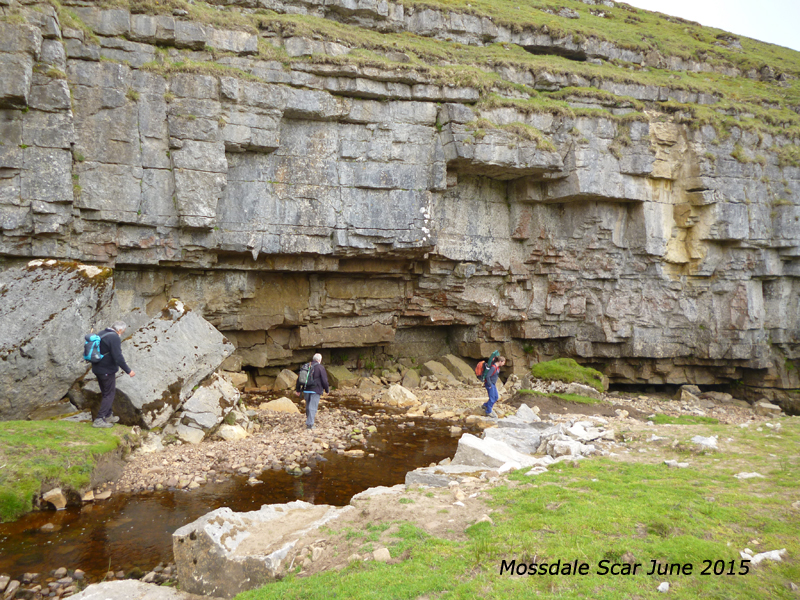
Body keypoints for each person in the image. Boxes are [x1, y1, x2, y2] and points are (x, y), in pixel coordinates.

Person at [91, 321, 135, 428]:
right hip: (106, 370)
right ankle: (99, 419)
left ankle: (108, 415)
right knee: (109, 394)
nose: (122, 334)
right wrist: (128, 370)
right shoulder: (114, 337)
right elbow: (118, 357)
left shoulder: (102, 333)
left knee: (106, 392)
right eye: (123, 332)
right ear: (119, 330)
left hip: (97, 369)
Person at [294, 353, 329, 430]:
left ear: (313, 359)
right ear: (320, 360)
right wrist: (327, 390)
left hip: (306, 389)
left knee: (308, 406)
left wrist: (298, 390)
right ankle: (310, 424)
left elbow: (300, 378)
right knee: (312, 407)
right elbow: (324, 380)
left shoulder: (306, 366)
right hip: (316, 390)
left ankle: (309, 420)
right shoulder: (320, 367)